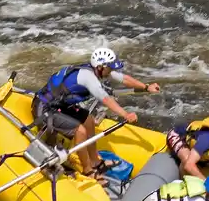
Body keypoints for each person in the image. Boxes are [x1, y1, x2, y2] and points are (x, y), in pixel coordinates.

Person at [32, 47, 160, 177]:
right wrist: (125, 114)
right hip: (45, 109)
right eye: (109, 68)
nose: (111, 71)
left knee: (89, 120)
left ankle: (95, 162)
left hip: (60, 106)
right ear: (100, 67)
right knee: (80, 130)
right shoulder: (88, 77)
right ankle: (88, 171)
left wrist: (146, 87)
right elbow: (106, 99)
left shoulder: (98, 70)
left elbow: (124, 79)